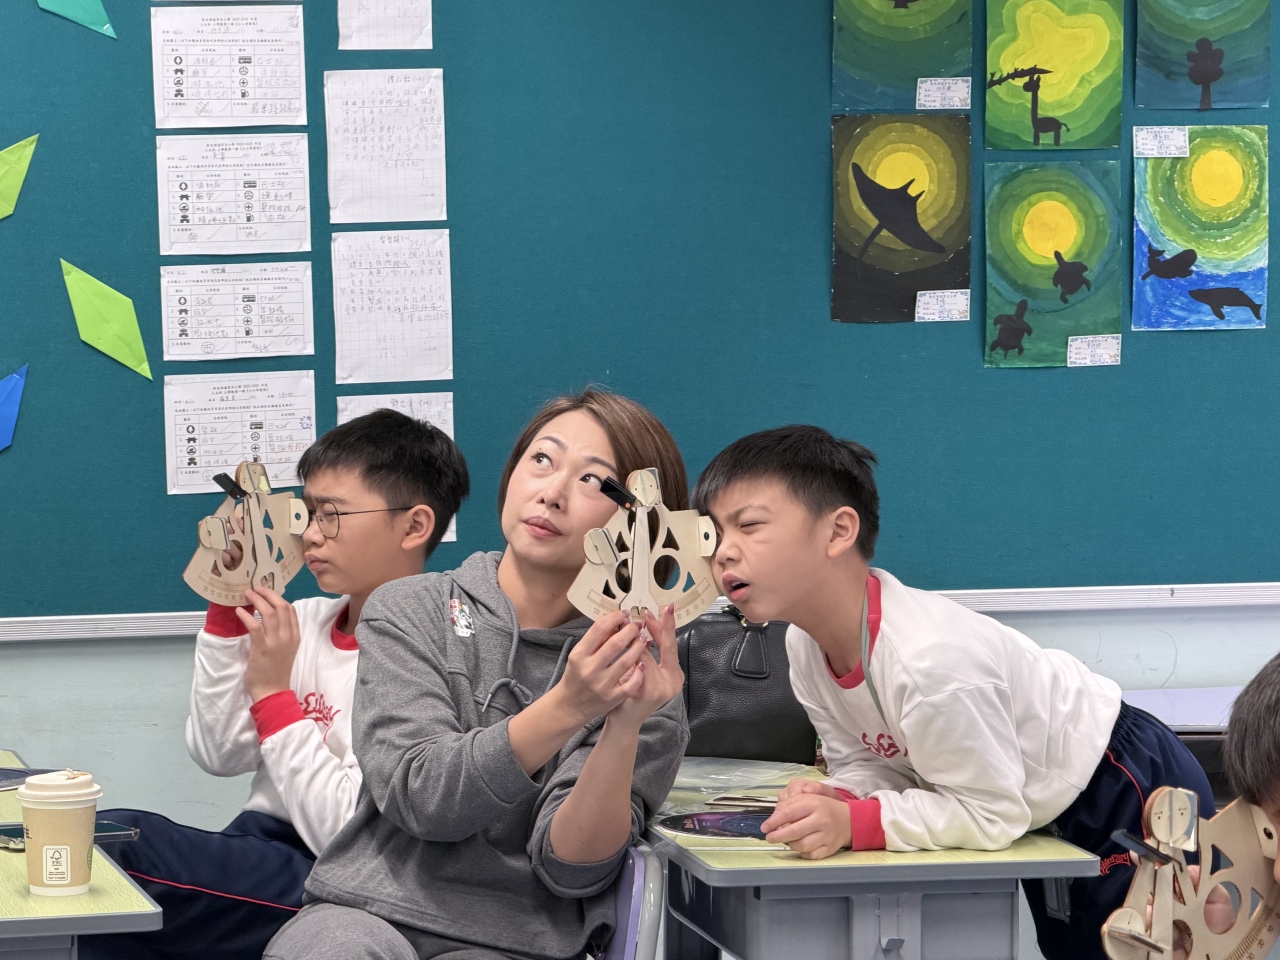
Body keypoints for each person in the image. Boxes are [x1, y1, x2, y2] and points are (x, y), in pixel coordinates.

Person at [691, 424, 1214, 960]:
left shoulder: (930, 663)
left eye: (749, 525)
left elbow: (991, 814)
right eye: (713, 533)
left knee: (1137, 948)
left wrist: (856, 822)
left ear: (838, 531)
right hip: (1042, 799)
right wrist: (839, 797)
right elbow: (869, 762)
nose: (723, 552)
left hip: (1121, 782)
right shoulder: (804, 645)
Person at [265, 390, 689, 960]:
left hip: (520, 938)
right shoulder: (409, 608)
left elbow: (572, 870)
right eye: (542, 459)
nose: (552, 492)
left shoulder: (641, 671)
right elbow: (421, 795)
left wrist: (623, 726)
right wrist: (568, 706)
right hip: (367, 909)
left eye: (594, 480)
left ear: (642, 523)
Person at [81, 410, 470, 960]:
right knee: (96, 871)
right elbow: (220, 753)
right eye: (307, 513)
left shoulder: (432, 653)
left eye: (332, 515)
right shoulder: (303, 620)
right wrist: (226, 616)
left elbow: (347, 832)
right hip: (255, 843)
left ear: (413, 527)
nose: (309, 535)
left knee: (116, 843)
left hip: (343, 874)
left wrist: (273, 695)